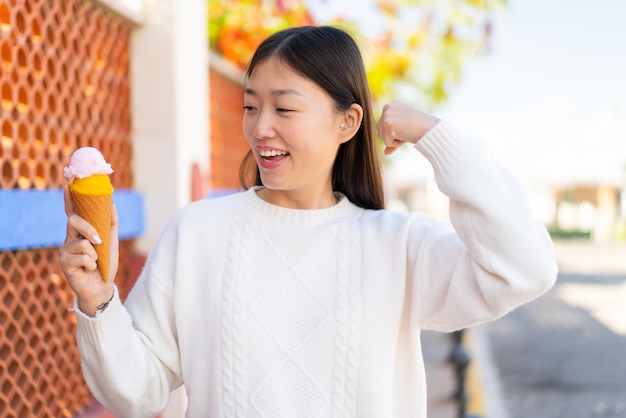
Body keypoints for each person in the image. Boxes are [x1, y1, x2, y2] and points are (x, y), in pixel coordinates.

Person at [59, 25, 557, 418]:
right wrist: (97, 300)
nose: (260, 128)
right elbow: (137, 394)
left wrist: (436, 137)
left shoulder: (398, 245)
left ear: (348, 122)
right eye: (251, 106)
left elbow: (524, 268)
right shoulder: (196, 233)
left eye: (284, 108)